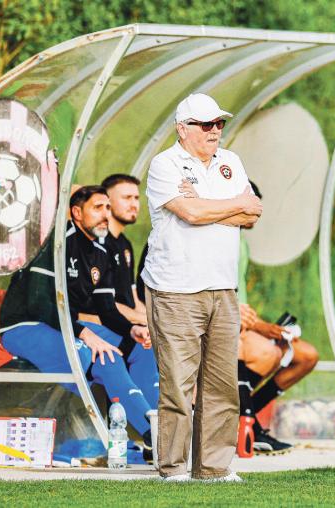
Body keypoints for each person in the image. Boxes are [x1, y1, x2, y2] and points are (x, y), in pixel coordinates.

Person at [142, 93, 262, 482]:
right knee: (178, 383)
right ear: (183, 128)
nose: (215, 131)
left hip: (223, 288)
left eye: (219, 124)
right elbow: (190, 213)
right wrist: (228, 205)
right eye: (206, 124)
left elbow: (253, 213)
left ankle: (213, 467)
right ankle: (173, 467)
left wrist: (207, 206)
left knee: (222, 384)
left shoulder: (231, 162)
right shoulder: (164, 164)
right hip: (175, 288)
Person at [0, 186, 155, 447]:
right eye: (98, 208)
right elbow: (39, 304)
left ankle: (161, 423)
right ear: (76, 213)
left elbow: (107, 310)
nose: (106, 214)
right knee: (104, 356)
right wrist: (85, 334)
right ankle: (151, 434)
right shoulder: (57, 242)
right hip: (25, 326)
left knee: (142, 348)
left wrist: (131, 330)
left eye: (108, 207)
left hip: (64, 324)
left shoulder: (101, 253)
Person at [234, 181, 318, 454]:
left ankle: (245, 417)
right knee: (268, 353)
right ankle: (246, 425)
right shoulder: (218, 239)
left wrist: (263, 325)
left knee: (307, 355)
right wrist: (261, 327)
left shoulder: (240, 241)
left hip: (243, 323)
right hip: (226, 323)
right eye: (253, 207)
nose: (257, 215)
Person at [100, 174, 159, 409]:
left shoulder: (124, 244)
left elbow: (132, 297)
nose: (134, 203)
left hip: (129, 323)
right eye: (126, 197)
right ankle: (152, 424)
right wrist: (146, 321)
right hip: (108, 325)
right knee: (148, 342)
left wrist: (155, 319)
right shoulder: (99, 243)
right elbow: (108, 304)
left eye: (136, 198)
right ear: (107, 201)